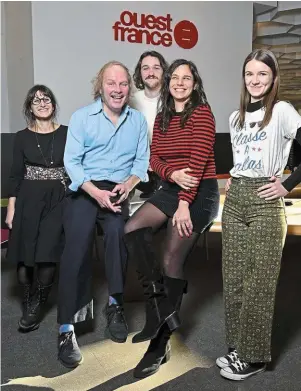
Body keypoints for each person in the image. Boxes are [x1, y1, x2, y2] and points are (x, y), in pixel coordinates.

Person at [124, 59, 220, 378]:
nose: (179, 82)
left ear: (195, 83)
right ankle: (163, 308)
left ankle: (160, 344)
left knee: (170, 258)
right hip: (171, 187)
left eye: (186, 77)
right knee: (133, 229)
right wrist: (171, 173)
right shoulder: (163, 116)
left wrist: (183, 204)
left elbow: (196, 165)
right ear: (168, 83)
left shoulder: (202, 114)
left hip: (199, 193)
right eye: (174, 77)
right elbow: (154, 159)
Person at [57, 61, 149, 368]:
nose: (118, 89)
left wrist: (128, 185)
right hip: (85, 188)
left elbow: (141, 162)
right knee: (77, 243)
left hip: (117, 189)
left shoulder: (136, 121)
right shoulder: (82, 117)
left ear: (129, 88)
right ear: (101, 86)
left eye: (123, 84)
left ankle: (115, 305)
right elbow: (72, 162)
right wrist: (95, 193)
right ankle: (67, 326)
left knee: (116, 236)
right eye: (112, 83)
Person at [217, 49, 301, 381]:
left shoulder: (281, 111)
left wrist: (288, 184)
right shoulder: (235, 117)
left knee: (259, 283)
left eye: (262, 74)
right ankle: (239, 347)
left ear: (273, 79)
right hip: (236, 197)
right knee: (234, 279)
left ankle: (254, 358)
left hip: (266, 200)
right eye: (250, 74)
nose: (255, 80)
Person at [5, 85, 68, 332]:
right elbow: (15, 174)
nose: (42, 103)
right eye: (36, 100)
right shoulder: (22, 137)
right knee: (25, 255)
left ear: (53, 104)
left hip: (58, 198)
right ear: (29, 107)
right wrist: (11, 207)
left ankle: (37, 306)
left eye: (46, 99)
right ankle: (28, 297)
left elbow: (76, 166)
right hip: (29, 197)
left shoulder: (67, 133)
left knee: (48, 252)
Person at [131, 51, 168, 199]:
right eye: (145, 68)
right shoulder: (131, 100)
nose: (150, 72)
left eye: (156, 68)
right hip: (139, 169)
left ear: (164, 71)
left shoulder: (173, 99)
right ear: (140, 73)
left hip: (166, 169)